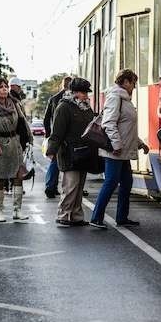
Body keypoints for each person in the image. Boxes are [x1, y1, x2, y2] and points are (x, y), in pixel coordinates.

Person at [89, 70, 149, 229]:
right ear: (126, 82)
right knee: (110, 182)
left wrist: (140, 143)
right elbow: (108, 123)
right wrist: (116, 145)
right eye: (133, 83)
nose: (134, 87)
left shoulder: (125, 100)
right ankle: (96, 217)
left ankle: (122, 217)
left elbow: (127, 128)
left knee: (127, 183)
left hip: (123, 151)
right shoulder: (115, 97)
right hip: (115, 151)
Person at [46, 78, 98, 227]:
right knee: (71, 186)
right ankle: (64, 214)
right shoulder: (64, 107)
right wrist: (52, 150)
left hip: (84, 152)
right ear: (75, 93)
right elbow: (57, 132)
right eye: (84, 93)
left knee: (79, 186)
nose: (86, 96)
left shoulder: (86, 108)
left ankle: (76, 216)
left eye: (87, 93)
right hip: (69, 152)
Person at [0, 78, 33, 222]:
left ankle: (17, 211)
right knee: (0, 179)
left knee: (18, 177)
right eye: (0, 87)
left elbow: (23, 122)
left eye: (5, 86)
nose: (4, 89)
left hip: (15, 144)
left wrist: (29, 139)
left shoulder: (15, 104)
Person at [43, 75, 72, 198]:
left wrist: (48, 134)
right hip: (68, 135)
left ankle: (51, 186)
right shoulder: (71, 98)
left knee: (54, 160)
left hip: (55, 134)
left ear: (62, 85)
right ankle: (64, 188)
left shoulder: (53, 99)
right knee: (69, 162)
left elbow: (46, 119)